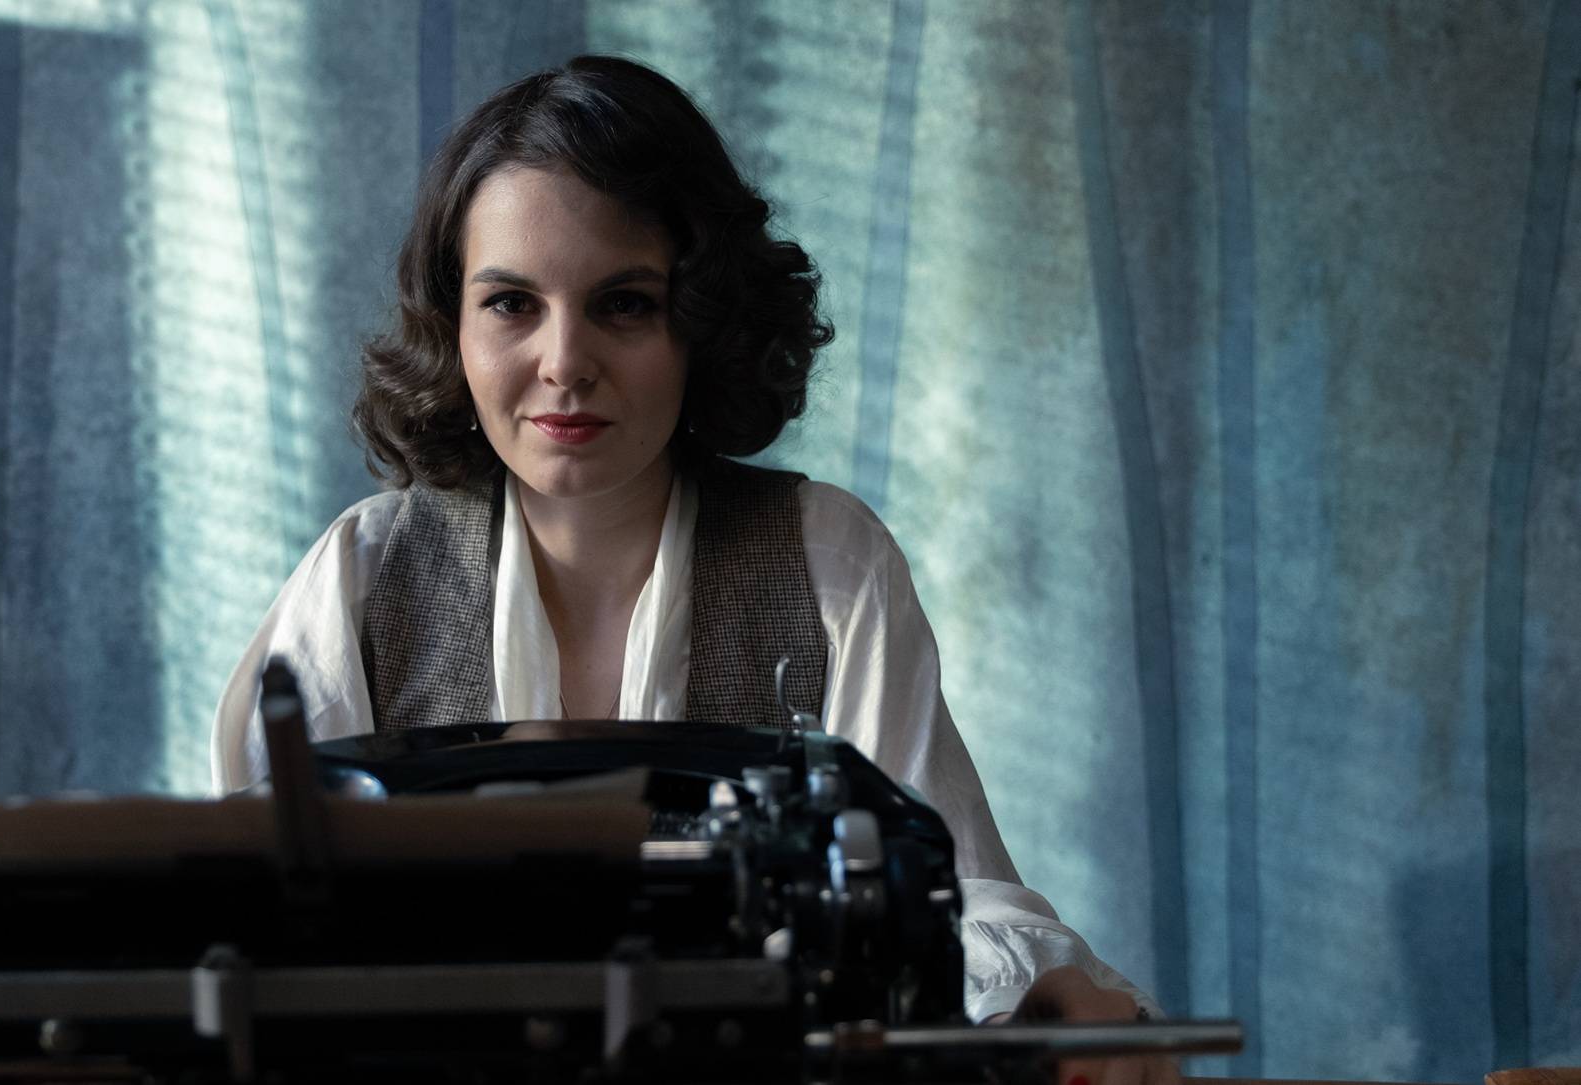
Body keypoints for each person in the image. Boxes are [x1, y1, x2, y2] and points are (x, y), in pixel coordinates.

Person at [212, 54, 1178, 1085]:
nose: (564, 361)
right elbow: (249, 925)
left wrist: (1037, 1005)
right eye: (511, 303)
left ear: (703, 320)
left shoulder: (830, 561)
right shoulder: (361, 578)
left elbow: (949, 894)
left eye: (623, 303)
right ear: (455, 321)